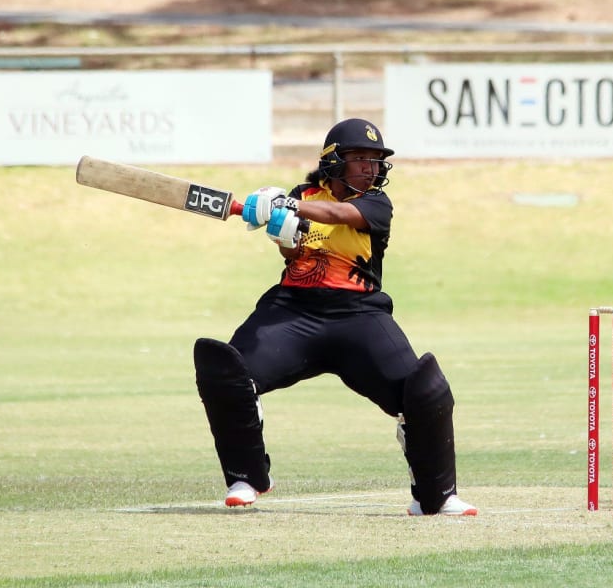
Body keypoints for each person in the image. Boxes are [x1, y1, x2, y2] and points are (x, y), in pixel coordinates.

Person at [194, 117, 477, 516]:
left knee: (425, 391)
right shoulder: (302, 193)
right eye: (359, 158)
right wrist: (284, 235)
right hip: (293, 310)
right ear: (333, 162)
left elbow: (337, 215)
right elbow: (293, 252)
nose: (370, 167)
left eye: (375, 160)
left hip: (359, 316)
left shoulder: (375, 203)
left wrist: (287, 206)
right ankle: (247, 477)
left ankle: (437, 496)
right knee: (225, 370)